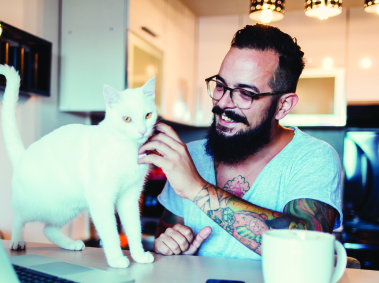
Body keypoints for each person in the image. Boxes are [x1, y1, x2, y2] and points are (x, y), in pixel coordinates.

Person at [138, 24, 342, 260]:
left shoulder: (313, 157)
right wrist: (171, 244)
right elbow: (166, 231)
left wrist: (195, 188)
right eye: (221, 86)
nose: (223, 103)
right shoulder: (191, 156)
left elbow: (309, 248)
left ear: (283, 105)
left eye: (246, 93)